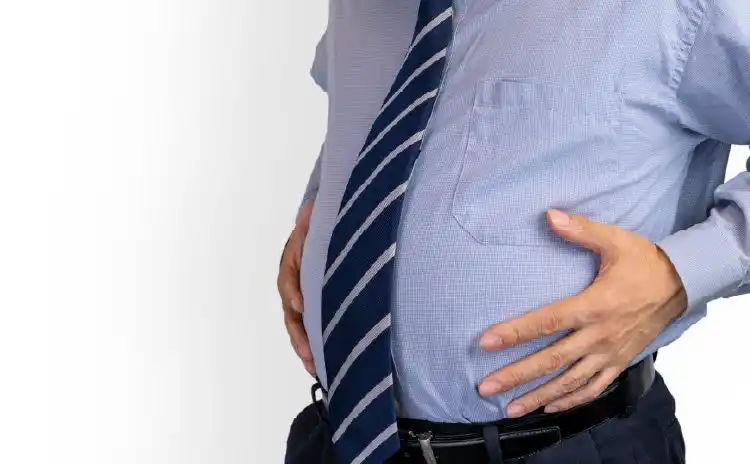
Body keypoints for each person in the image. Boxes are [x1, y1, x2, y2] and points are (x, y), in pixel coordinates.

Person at [278, 1, 750, 462]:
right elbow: (367, 108)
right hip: (334, 440)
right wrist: (326, 212)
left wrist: (680, 274)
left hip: (565, 447)